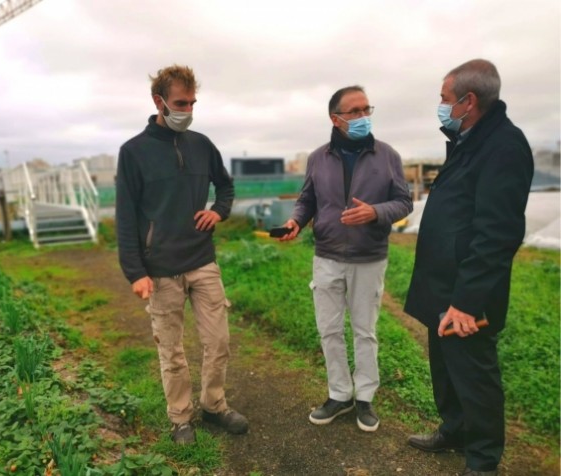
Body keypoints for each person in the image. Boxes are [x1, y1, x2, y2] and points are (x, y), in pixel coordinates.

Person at [404, 59, 533, 476]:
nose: (440, 106)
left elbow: (497, 234)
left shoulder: (504, 146)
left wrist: (466, 300)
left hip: (466, 294)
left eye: (444, 99)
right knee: (444, 367)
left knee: (474, 375)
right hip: (442, 285)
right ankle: (454, 431)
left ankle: (482, 460)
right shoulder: (468, 139)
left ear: (468, 101)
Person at [115, 64, 248, 445]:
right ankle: (181, 417)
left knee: (218, 341)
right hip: (159, 270)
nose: (187, 110)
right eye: (179, 103)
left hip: (202, 260)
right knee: (171, 350)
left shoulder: (202, 144)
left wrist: (218, 211)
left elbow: (225, 186)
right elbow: (125, 217)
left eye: (192, 103)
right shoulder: (133, 153)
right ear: (159, 101)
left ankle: (213, 405)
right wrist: (134, 271)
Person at [279, 85, 412, 432]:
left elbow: (404, 202)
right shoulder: (318, 157)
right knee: (329, 330)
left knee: (365, 331)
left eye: (367, 109)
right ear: (335, 118)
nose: (363, 116)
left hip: (369, 258)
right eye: (354, 111)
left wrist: (376, 212)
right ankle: (339, 394)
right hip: (327, 256)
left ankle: (365, 397)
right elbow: (307, 199)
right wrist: (296, 220)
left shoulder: (387, 156)